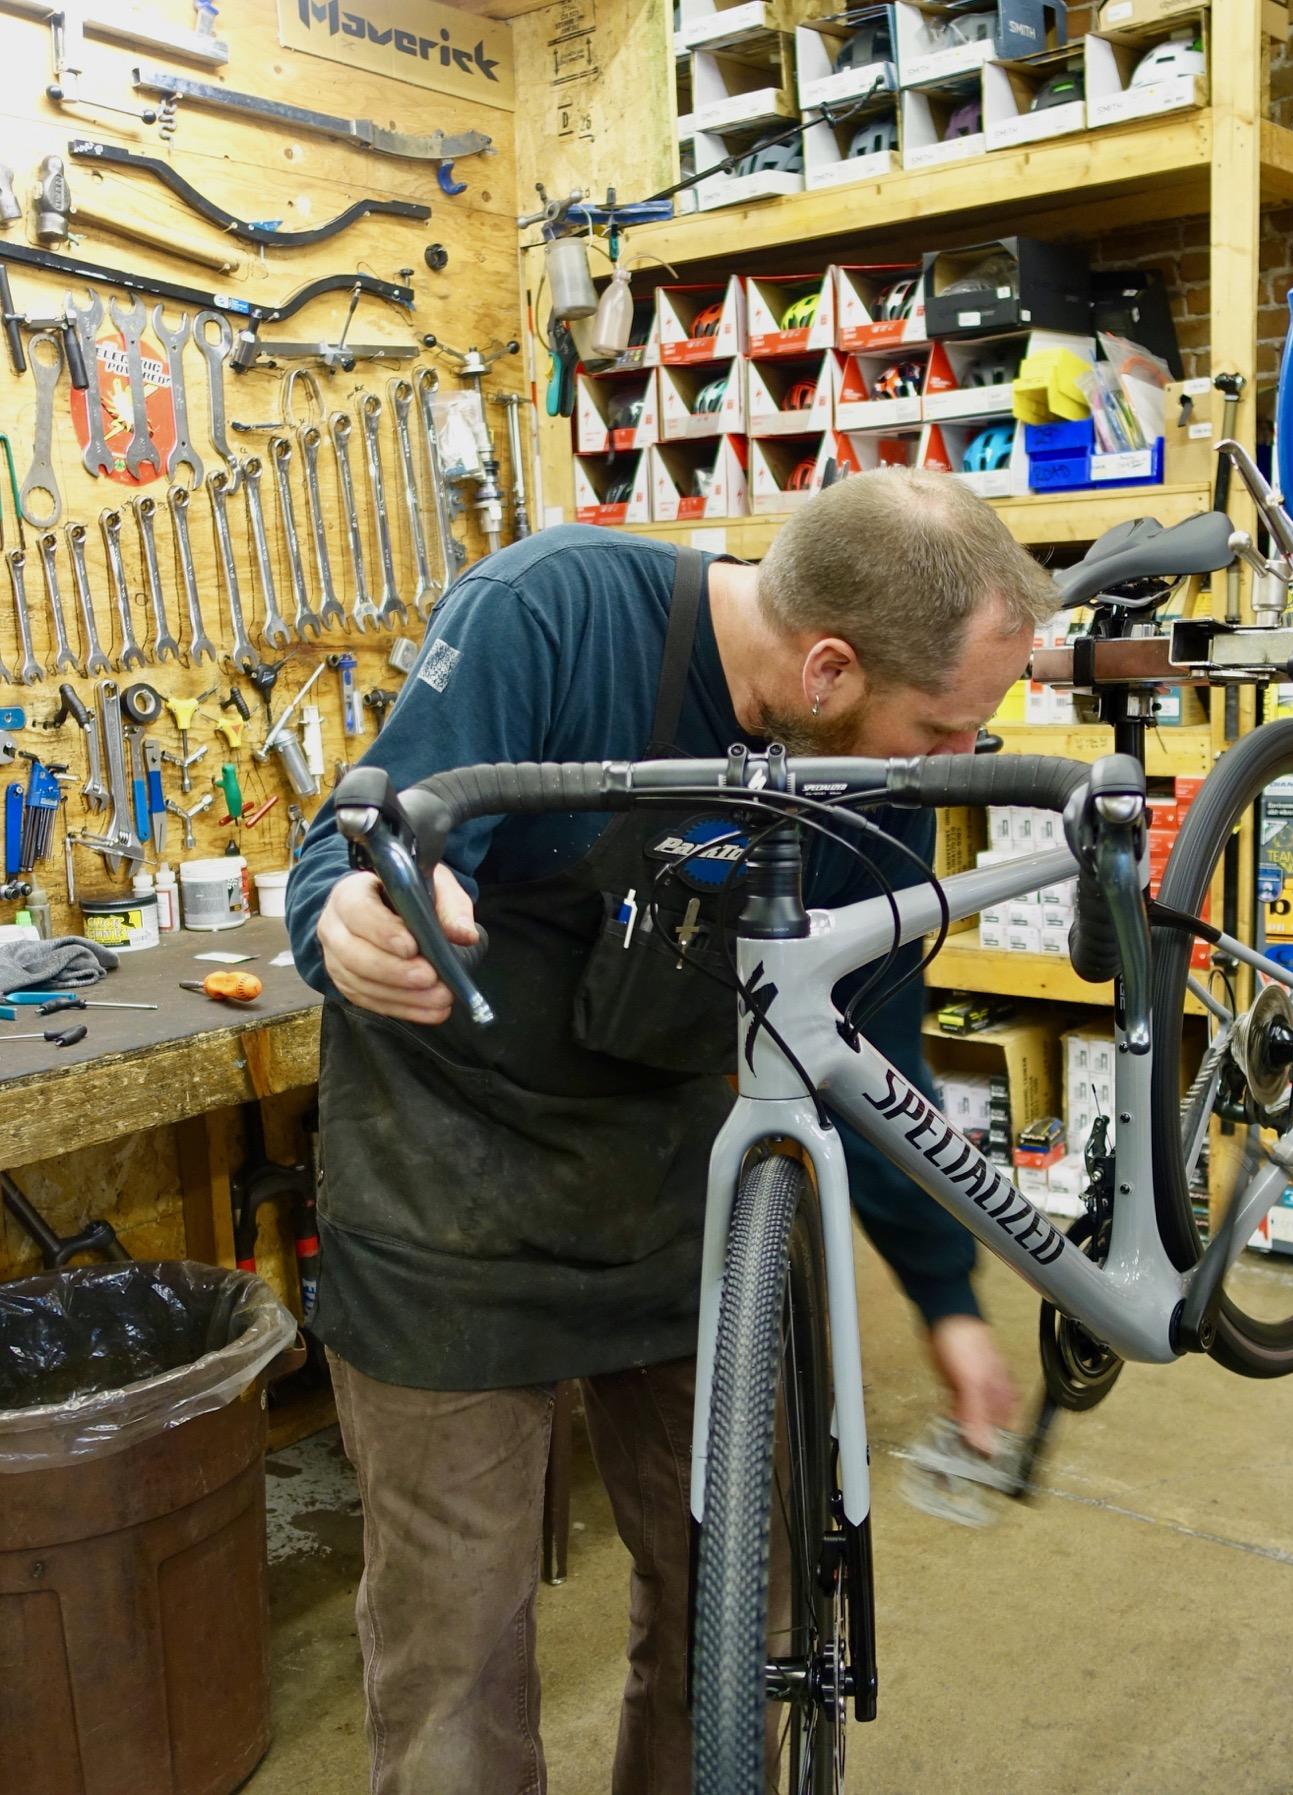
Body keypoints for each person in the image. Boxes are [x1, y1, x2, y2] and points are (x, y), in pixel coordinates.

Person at [285, 467, 1058, 1795]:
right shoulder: (554, 613)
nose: (951, 758)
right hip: (449, 1215)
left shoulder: (879, 786)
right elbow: (364, 840)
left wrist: (948, 1298)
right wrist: (352, 918)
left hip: (685, 1216)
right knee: (453, 1660)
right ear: (827, 669)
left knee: (739, 1612)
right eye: (938, 723)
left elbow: (867, 1051)